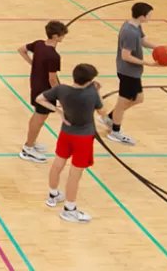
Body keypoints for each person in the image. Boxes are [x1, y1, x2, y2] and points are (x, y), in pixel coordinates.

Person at [101, 2, 167, 145]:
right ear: (142, 16)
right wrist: (149, 63)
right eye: (149, 15)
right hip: (127, 72)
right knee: (123, 102)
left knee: (138, 98)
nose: (151, 17)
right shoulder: (130, 32)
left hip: (133, 71)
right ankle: (115, 131)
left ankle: (111, 117)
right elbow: (125, 56)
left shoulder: (134, 25)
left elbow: (144, 42)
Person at [39, 63, 106, 223]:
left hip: (66, 132)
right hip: (83, 137)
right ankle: (69, 209)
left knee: (58, 163)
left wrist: (59, 111)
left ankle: (53, 194)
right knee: (75, 174)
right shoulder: (91, 95)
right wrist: (98, 92)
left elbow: (40, 99)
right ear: (89, 80)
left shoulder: (62, 89)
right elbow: (102, 112)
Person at [18, 21, 68, 163]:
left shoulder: (39, 44)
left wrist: (32, 63)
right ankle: (27, 149)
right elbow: (52, 79)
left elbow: (21, 49)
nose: (63, 37)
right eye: (62, 35)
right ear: (55, 36)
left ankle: (31, 142)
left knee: (36, 117)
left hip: (35, 85)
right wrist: (61, 95)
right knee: (39, 119)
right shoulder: (53, 56)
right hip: (45, 91)